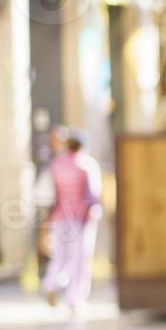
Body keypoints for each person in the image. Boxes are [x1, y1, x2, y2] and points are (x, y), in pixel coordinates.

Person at [37, 127, 103, 314]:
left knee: (60, 256)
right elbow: (93, 194)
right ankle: (75, 298)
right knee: (80, 259)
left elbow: (50, 194)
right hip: (80, 219)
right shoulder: (87, 165)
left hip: (59, 218)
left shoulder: (57, 164)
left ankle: (53, 283)